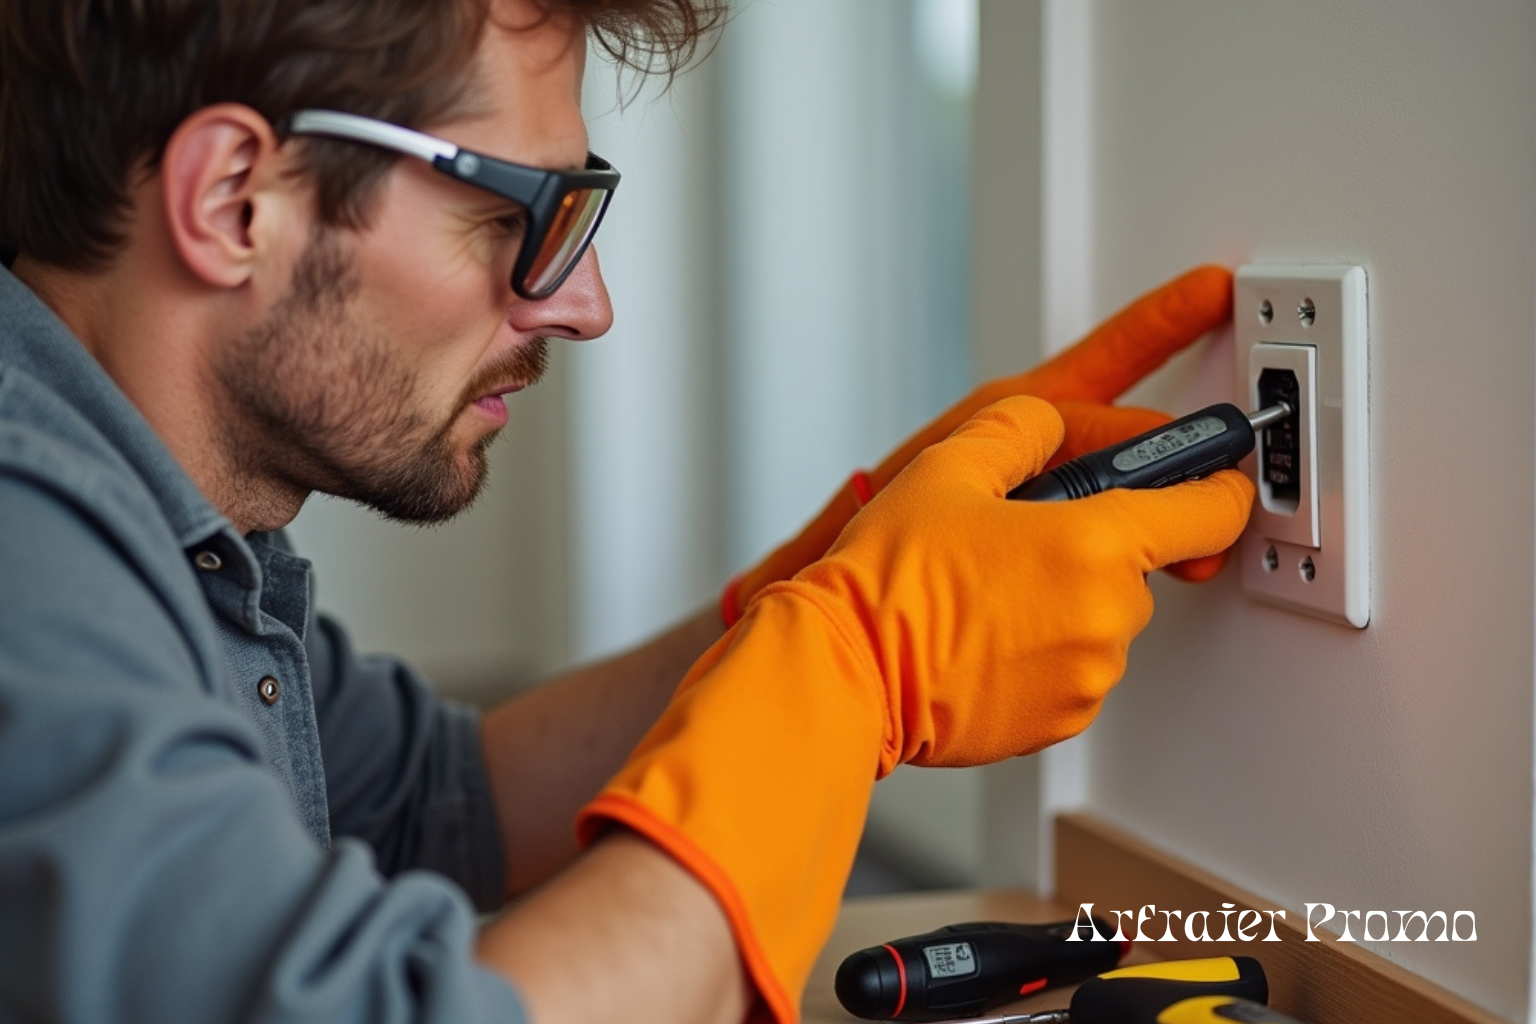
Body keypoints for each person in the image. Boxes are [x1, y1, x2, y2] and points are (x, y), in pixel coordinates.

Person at [0, 1, 1254, 1022]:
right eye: (512, 216)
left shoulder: (163, 529)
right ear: (234, 200)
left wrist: (834, 571)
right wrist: (851, 667)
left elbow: (441, 797)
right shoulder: (29, 561)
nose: (583, 303)